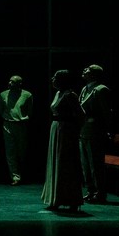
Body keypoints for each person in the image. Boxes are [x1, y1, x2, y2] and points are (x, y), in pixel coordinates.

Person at [41, 69, 86, 212]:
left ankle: (71, 200)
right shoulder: (58, 94)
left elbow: (81, 114)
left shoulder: (69, 95)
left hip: (66, 130)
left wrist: (75, 130)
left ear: (62, 80)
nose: (52, 79)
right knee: (56, 162)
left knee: (66, 164)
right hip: (56, 128)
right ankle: (56, 199)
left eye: (55, 77)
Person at [79, 64, 111, 204]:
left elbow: (106, 112)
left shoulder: (101, 89)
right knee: (85, 164)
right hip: (83, 130)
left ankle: (100, 193)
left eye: (88, 69)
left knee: (95, 164)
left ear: (94, 74)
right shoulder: (84, 89)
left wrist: (107, 130)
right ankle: (91, 190)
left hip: (95, 131)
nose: (84, 70)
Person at [0, 75, 34, 186]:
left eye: (13, 82)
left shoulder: (27, 95)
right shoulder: (3, 94)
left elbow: (30, 111)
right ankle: (15, 176)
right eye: (9, 81)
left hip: (21, 125)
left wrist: (25, 118)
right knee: (10, 151)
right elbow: (1, 110)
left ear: (19, 84)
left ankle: (23, 173)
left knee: (21, 151)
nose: (10, 83)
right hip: (8, 124)